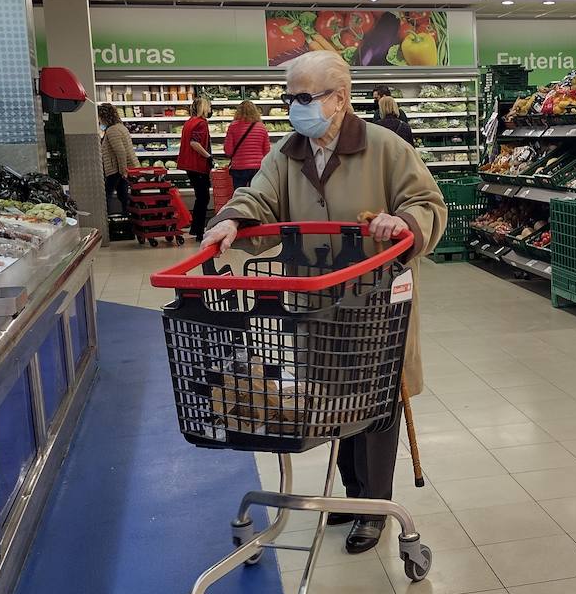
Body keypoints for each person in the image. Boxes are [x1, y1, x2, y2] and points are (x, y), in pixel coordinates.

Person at [203, 51, 447, 554]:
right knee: (334, 397)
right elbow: (259, 198)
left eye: (304, 97)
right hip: (316, 302)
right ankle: (353, 494)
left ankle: (375, 506)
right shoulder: (286, 154)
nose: (295, 106)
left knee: (378, 405)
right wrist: (232, 219)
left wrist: (404, 223)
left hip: (378, 302)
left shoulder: (386, 147)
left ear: (339, 99)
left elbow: (427, 204)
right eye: (290, 97)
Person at [177, 95, 214, 240]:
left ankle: (196, 229)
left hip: (189, 165)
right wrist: (208, 156)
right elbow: (194, 143)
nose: (210, 109)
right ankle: (199, 231)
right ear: (204, 108)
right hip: (197, 165)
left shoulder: (189, 122)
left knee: (200, 198)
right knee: (203, 198)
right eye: (209, 107)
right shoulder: (201, 123)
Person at [98, 103, 138, 218]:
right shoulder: (120, 127)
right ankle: (127, 217)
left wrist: (123, 171)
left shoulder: (112, 130)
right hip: (121, 169)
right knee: (123, 195)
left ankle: (106, 219)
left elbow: (120, 152)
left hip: (116, 170)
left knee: (107, 194)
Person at [223, 100, 271, 190]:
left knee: (239, 196)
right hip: (258, 167)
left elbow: (228, 151)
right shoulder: (261, 127)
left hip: (239, 167)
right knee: (256, 195)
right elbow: (267, 151)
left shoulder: (233, 126)